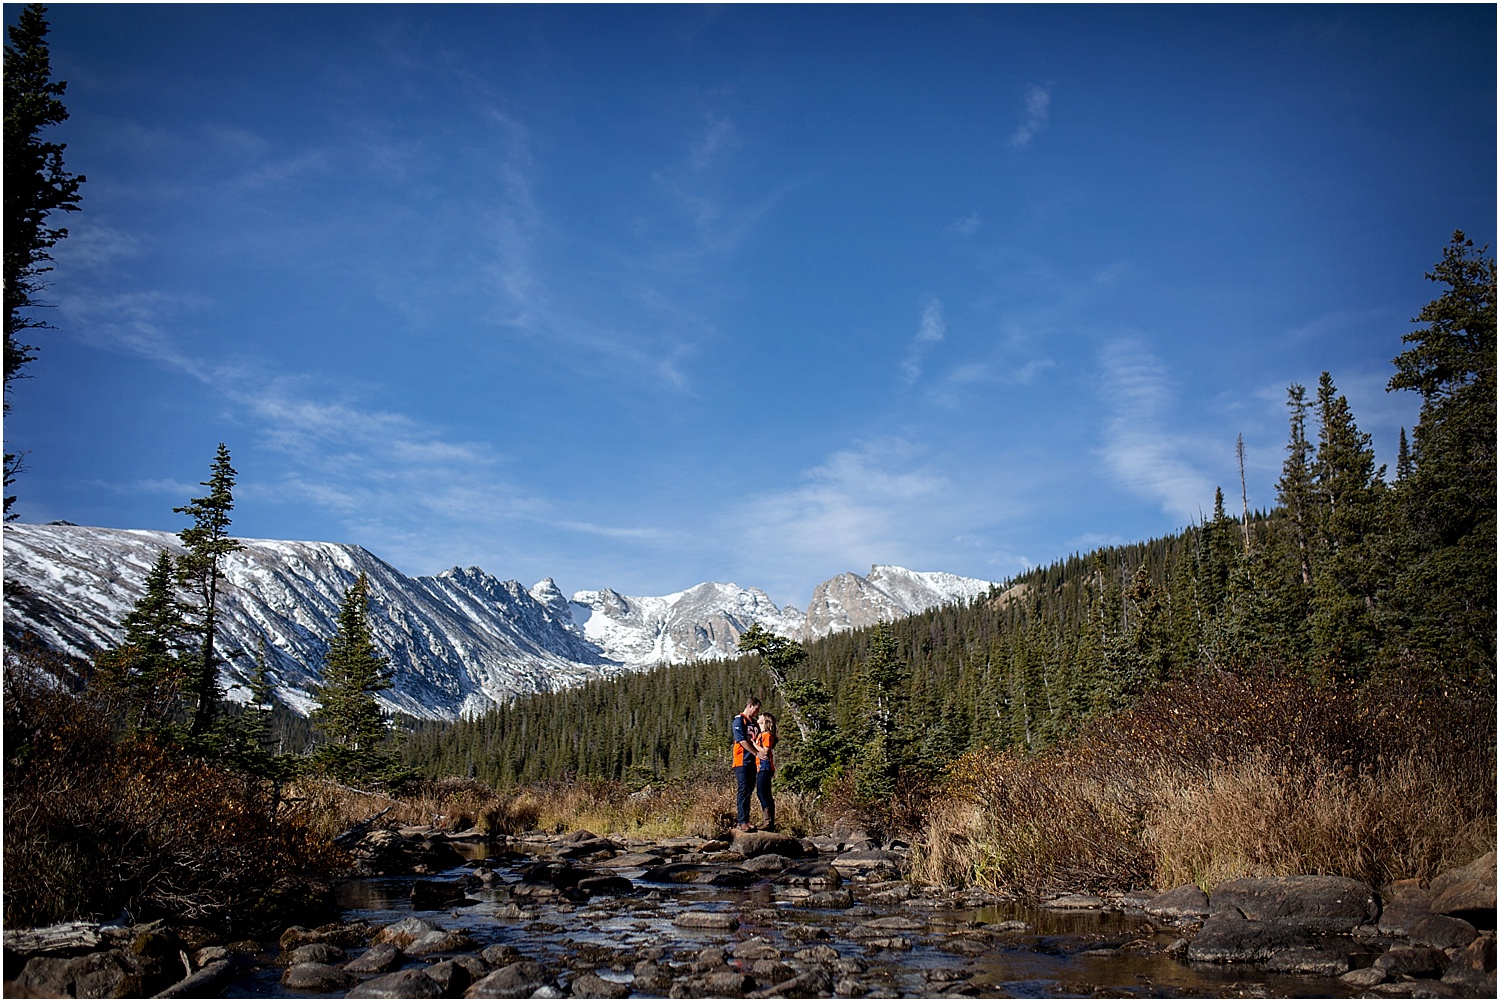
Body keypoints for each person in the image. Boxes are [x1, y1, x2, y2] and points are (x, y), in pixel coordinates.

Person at [730, 695, 762, 831]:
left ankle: (747, 820)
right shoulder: (739, 721)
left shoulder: (754, 724)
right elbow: (742, 741)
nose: (756, 712)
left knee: (749, 790)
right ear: (750, 706)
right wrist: (756, 753)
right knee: (743, 790)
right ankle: (742, 821)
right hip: (741, 761)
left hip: (753, 763)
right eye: (756, 709)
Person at [755, 712, 778, 831]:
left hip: (765, 767)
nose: (758, 717)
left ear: (765, 721)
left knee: (762, 793)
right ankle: (769, 821)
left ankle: (768, 821)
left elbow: (765, 751)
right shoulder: (761, 734)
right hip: (761, 767)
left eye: (761, 717)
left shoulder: (767, 735)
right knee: (765, 793)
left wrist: (753, 744)